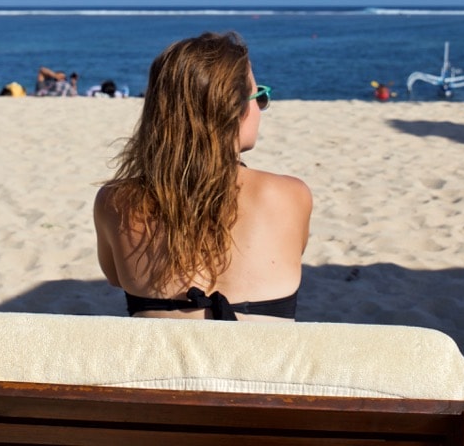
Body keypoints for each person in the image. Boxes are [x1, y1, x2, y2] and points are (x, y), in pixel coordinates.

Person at [94, 32, 313, 321]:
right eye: (259, 96)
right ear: (233, 109)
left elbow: (116, 277)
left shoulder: (116, 201)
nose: (260, 108)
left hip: (160, 367)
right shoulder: (290, 196)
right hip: (263, 366)